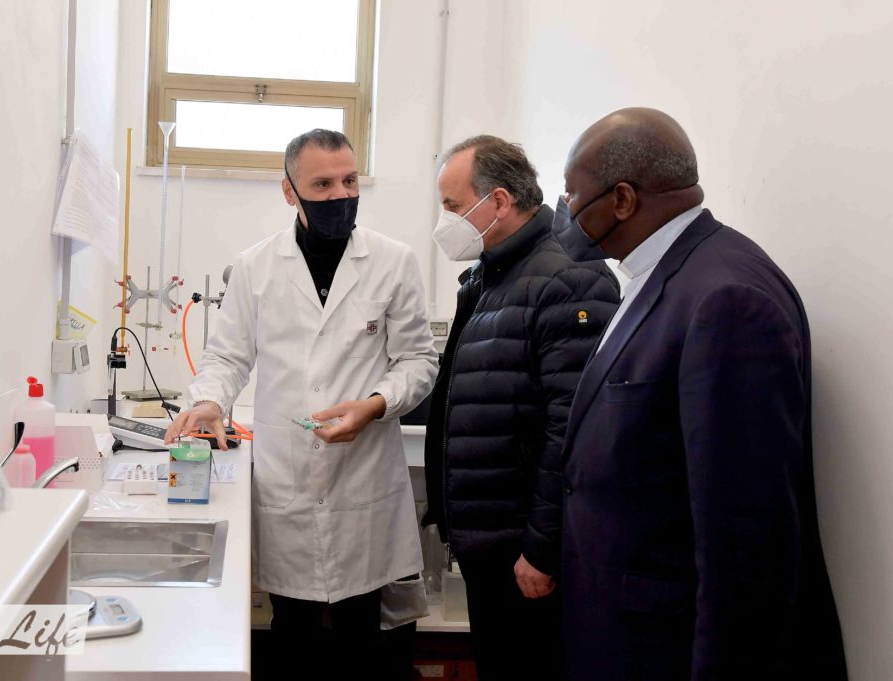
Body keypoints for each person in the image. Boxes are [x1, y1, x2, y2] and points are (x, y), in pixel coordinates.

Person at [549, 108, 846, 680]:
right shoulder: (662, 275)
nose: (564, 209)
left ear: (623, 200)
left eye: (571, 193)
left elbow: (746, 543)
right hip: (621, 632)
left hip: (667, 647)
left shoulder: (726, 298)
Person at [164, 129, 438, 680]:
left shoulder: (393, 261)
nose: (341, 195)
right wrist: (211, 400)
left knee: (363, 634)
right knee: (291, 632)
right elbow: (227, 356)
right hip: (286, 476)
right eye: (323, 184)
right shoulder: (255, 267)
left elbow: (418, 361)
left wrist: (375, 404)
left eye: (349, 181)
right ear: (289, 191)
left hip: (362, 474)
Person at [421, 135, 620, 679]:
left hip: (524, 552)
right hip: (489, 543)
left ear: (500, 201)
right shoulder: (490, 275)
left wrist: (542, 547)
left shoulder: (568, 279)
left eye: (453, 206)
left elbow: (572, 430)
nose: (446, 221)